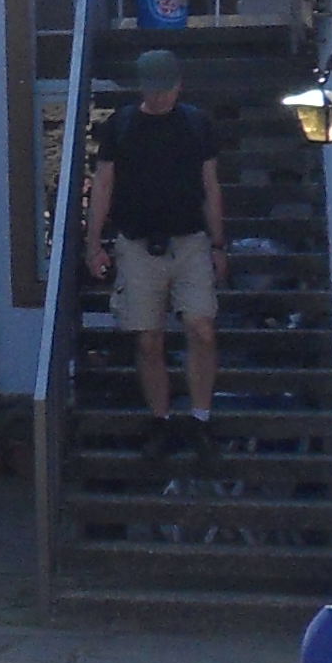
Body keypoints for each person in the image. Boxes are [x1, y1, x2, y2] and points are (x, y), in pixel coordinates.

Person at [84, 44, 227, 467]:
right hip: (137, 243)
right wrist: (93, 243)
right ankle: (160, 421)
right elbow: (103, 185)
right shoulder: (121, 126)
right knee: (148, 339)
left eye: (166, 88)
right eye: (153, 88)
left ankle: (200, 419)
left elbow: (210, 186)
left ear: (179, 85)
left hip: (190, 241)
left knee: (201, 328)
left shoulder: (197, 124)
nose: (160, 95)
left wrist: (219, 244)